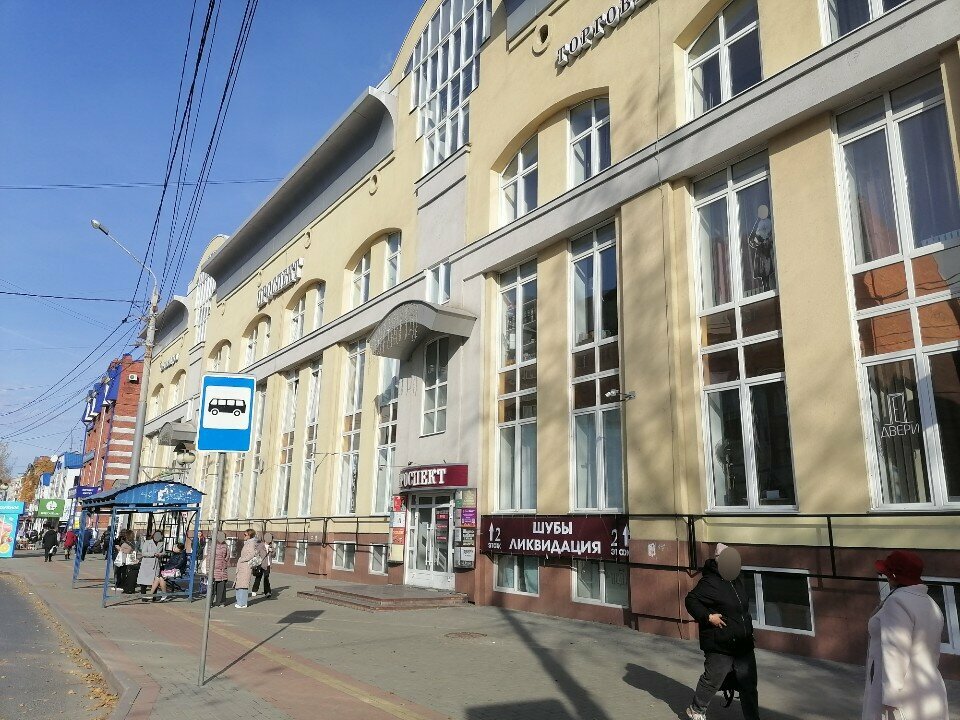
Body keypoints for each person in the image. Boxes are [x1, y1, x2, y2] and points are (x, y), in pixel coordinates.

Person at [863, 550, 949, 720]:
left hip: (904, 694)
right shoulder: (929, 602)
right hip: (929, 687)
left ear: (894, 576)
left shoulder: (897, 602)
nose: (886, 578)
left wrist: (891, 696)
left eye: (887, 574)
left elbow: (895, 650)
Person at [684, 544, 759, 720]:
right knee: (712, 680)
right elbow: (691, 600)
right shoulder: (710, 582)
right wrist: (708, 617)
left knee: (749, 685)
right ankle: (696, 710)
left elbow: (742, 610)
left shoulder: (736, 580)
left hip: (743, 642)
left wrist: (748, 630)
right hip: (721, 643)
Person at [233, 529, 260, 609]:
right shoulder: (248, 542)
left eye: (245, 535)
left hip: (246, 566)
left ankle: (242, 603)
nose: (244, 536)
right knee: (240, 584)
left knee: (243, 585)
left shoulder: (251, 543)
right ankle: (240, 602)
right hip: (243, 566)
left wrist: (242, 559)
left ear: (249, 535)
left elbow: (251, 554)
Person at [251, 532, 273, 599]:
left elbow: (274, 555)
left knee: (266, 579)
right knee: (258, 577)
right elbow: (256, 553)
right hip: (261, 564)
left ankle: (267, 592)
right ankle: (254, 590)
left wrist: (272, 551)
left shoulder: (271, 546)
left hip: (268, 565)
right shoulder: (261, 545)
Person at [211, 531, 229, 607]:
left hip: (222, 569)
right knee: (212, 587)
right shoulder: (212, 545)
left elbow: (228, 555)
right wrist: (208, 570)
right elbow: (209, 558)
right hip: (214, 569)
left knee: (222, 587)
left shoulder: (225, 545)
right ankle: (210, 602)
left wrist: (225, 561)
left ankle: (221, 602)